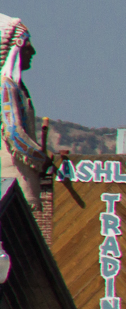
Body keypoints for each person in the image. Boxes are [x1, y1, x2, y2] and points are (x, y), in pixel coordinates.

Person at [0, 14, 46, 212]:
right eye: (27, 46)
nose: (32, 52)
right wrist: (41, 158)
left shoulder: (16, 88)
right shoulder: (5, 87)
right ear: (15, 48)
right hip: (14, 181)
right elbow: (14, 134)